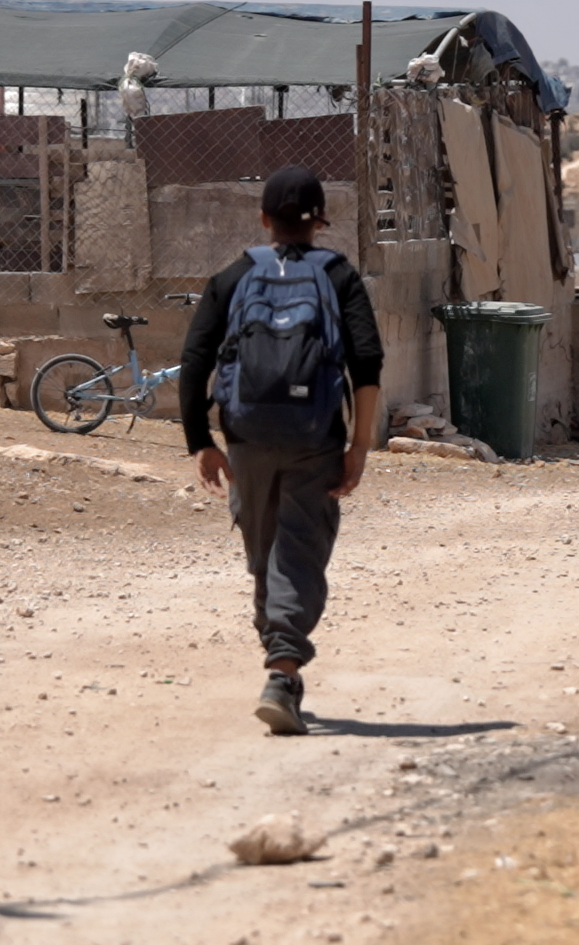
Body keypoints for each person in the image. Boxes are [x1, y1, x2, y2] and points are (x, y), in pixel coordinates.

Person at [179, 165, 384, 735]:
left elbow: (196, 359)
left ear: (264, 219)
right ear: (320, 222)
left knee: (263, 548)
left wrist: (201, 441)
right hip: (314, 436)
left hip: (245, 435)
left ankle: (277, 654)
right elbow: (366, 361)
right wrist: (359, 446)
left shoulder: (235, 275)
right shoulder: (338, 275)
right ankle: (283, 671)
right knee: (296, 549)